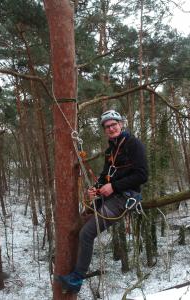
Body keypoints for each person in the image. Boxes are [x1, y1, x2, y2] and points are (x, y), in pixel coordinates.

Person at [56, 109, 148, 293]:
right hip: (110, 196)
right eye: (107, 127)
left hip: (124, 198)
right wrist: (96, 188)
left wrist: (114, 187)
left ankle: (76, 279)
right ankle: (72, 268)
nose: (111, 128)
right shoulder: (110, 150)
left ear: (121, 124)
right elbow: (106, 175)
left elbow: (142, 175)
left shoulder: (133, 144)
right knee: (82, 220)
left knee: (86, 233)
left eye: (114, 124)